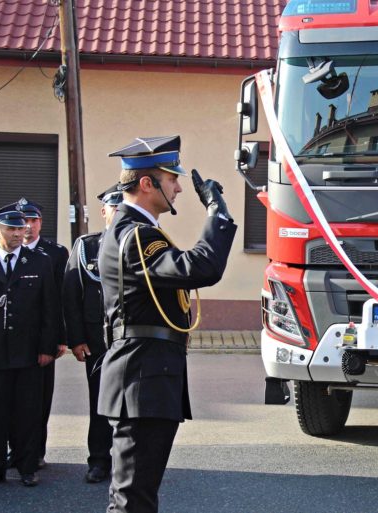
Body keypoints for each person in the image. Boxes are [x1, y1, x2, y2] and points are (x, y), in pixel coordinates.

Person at [98, 135, 236, 513]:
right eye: (171, 178)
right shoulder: (135, 235)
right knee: (132, 497)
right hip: (142, 376)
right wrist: (217, 213)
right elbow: (199, 268)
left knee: (138, 493)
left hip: (148, 374)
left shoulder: (142, 232)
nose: (177, 187)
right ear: (147, 183)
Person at [0, 205, 58, 487]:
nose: (17, 233)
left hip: (29, 350)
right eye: (10, 229)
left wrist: (48, 346)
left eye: (20, 228)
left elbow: (50, 308)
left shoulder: (39, 262)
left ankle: (27, 466)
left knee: (27, 411)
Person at [61, 184, 122, 484]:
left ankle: (128, 462)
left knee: (131, 407)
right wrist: (76, 339)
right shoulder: (87, 247)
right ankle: (98, 461)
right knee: (100, 403)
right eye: (114, 207)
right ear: (104, 212)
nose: (119, 212)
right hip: (98, 343)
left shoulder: (140, 243)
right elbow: (71, 295)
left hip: (131, 342)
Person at [14, 198, 69, 469]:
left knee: (39, 399)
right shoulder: (7, 252)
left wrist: (61, 338)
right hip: (14, 339)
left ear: (40, 223)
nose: (27, 226)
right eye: (23, 221)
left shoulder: (56, 253)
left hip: (43, 337)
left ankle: (36, 452)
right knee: (15, 398)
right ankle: (16, 450)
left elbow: (60, 298)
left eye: (33, 220)